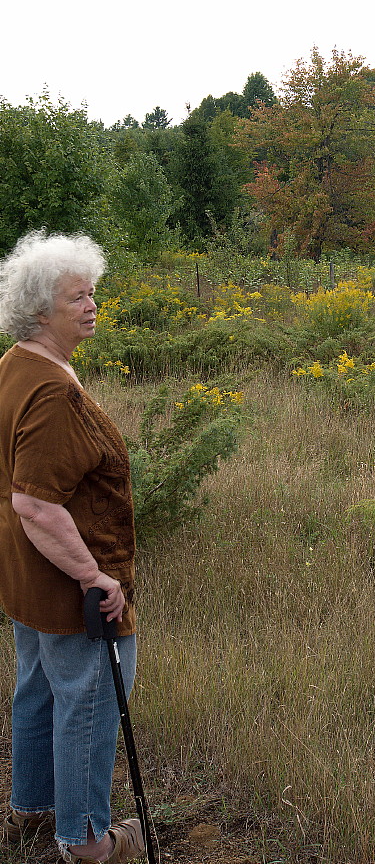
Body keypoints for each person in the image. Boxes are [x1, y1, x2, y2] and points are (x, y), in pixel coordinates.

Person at [0, 231, 145, 864]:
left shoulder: (16, 364)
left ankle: (32, 809)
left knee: (35, 686)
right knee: (88, 698)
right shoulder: (53, 391)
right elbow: (35, 501)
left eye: (92, 293)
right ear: (39, 311)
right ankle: (84, 839)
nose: (91, 305)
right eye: (75, 297)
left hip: (24, 576)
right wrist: (96, 578)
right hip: (65, 583)